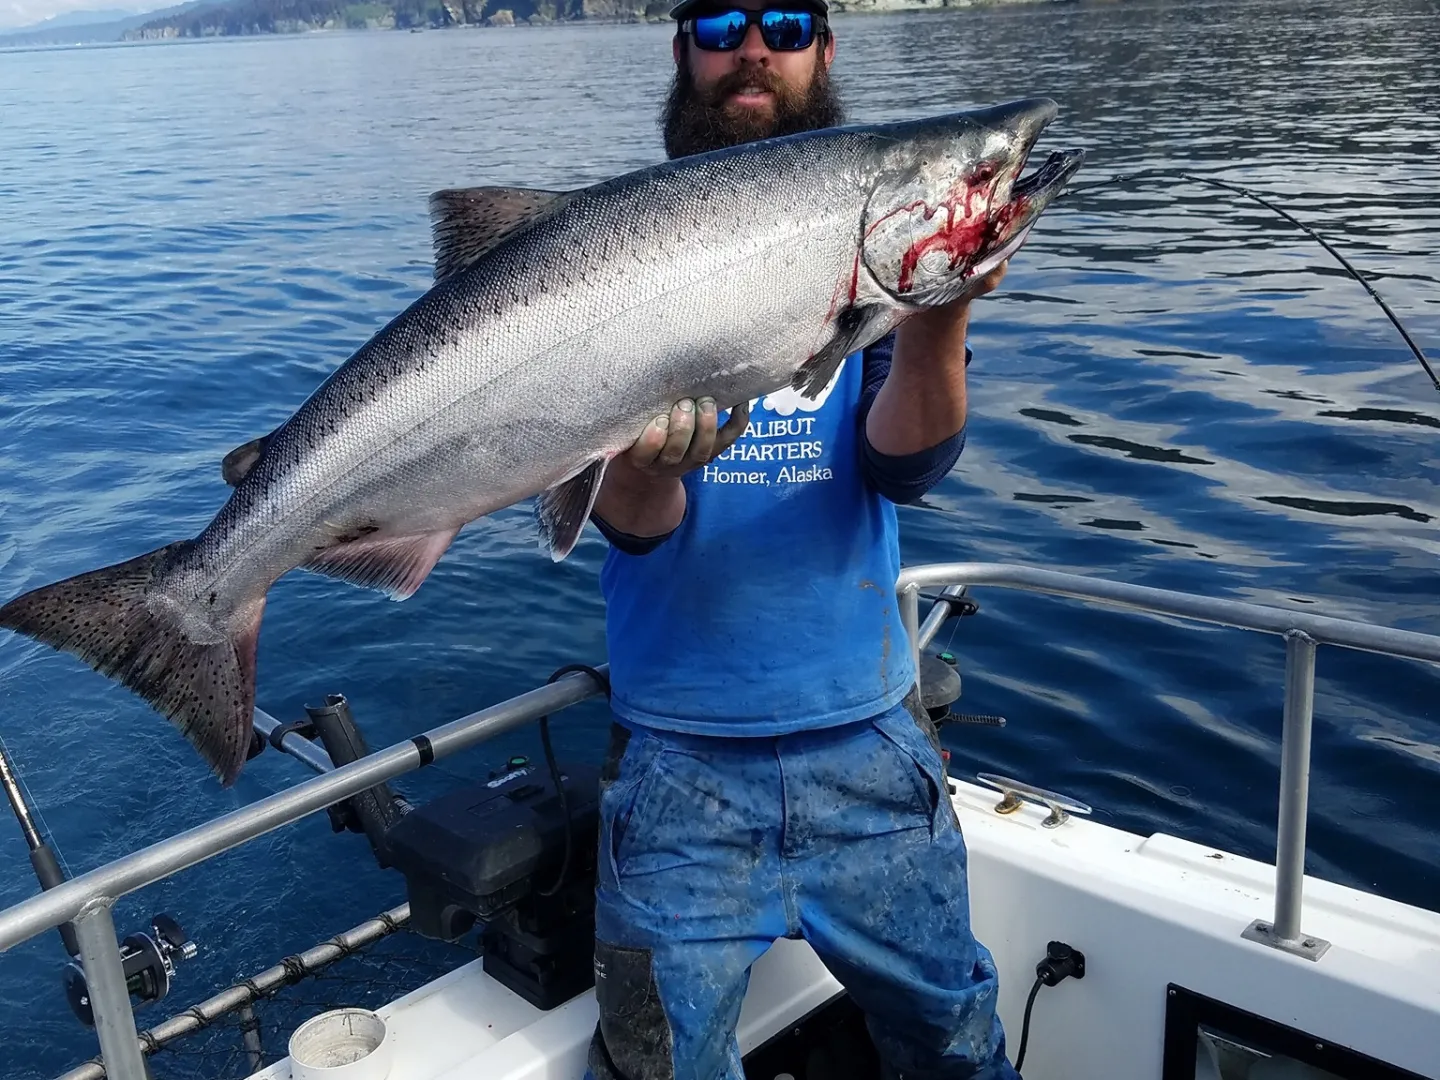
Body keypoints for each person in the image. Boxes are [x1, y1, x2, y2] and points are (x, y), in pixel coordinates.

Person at [582, 1, 1018, 1077]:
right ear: (685, 49)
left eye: (785, 19)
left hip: (868, 738)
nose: (754, 50)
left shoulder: (870, 244)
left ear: (824, 47)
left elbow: (902, 466)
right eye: (723, 22)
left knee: (954, 1052)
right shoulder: (605, 260)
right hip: (674, 764)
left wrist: (938, 310)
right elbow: (635, 529)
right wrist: (645, 465)